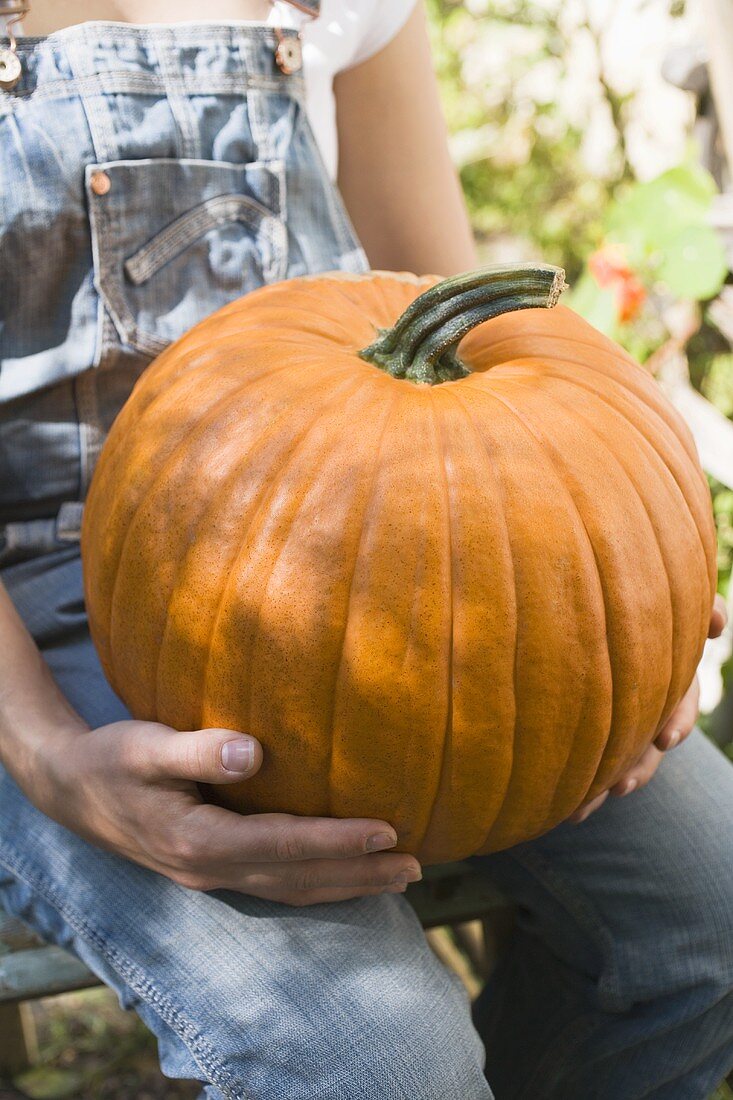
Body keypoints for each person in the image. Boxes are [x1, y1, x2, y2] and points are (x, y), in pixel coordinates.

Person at [0, 2, 731, 1097]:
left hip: (404, 549)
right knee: (379, 1061)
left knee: (711, 922)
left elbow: (450, 318)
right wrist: (55, 762)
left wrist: (635, 585)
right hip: (34, 614)